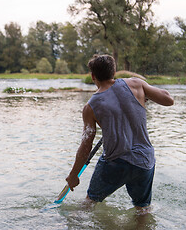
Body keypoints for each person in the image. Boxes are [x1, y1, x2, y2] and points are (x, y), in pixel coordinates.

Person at [66, 55, 174, 211]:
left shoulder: (90, 107)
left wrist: (73, 175)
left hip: (115, 163)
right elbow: (169, 99)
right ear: (114, 72)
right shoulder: (136, 84)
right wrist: (145, 94)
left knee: (90, 202)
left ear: (93, 76)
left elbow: (86, 145)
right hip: (144, 161)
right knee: (142, 209)